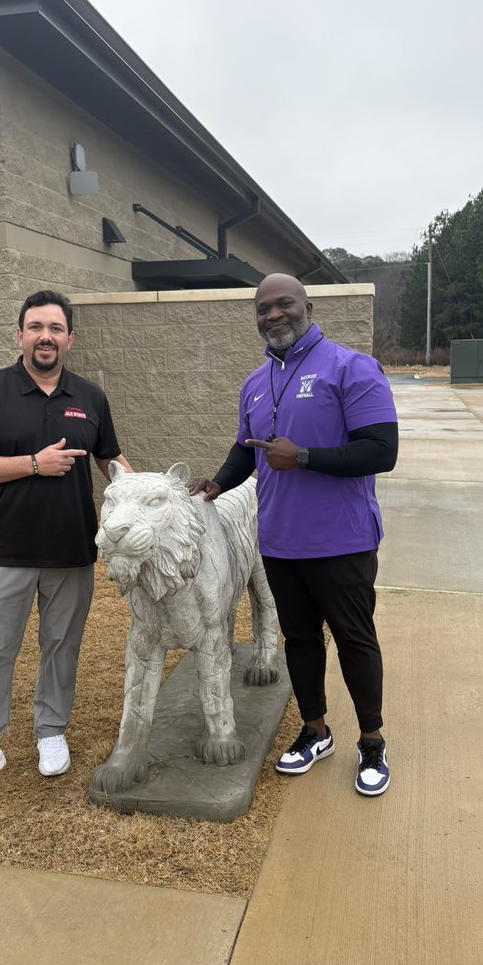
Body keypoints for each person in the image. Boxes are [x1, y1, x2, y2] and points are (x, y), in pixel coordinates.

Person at [189, 274, 398, 795]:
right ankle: (315, 730)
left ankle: (371, 742)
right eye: (263, 308)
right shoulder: (255, 382)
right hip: (279, 541)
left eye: (284, 304)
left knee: (354, 640)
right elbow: (247, 449)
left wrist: (302, 456)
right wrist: (216, 483)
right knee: (299, 640)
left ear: (307, 305)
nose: (273, 315)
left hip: (342, 541)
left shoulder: (352, 368)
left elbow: (381, 450)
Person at [0, 289, 131, 799]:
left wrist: (146, 496)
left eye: (55, 328)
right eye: (35, 327)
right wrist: (33, 463)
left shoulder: (90, 397)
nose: (45, 336)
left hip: (72, 550)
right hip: (5, 550)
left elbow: (110, 460)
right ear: (20, 335)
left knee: (61, 648)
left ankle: (51, 732)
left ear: (70, 338)